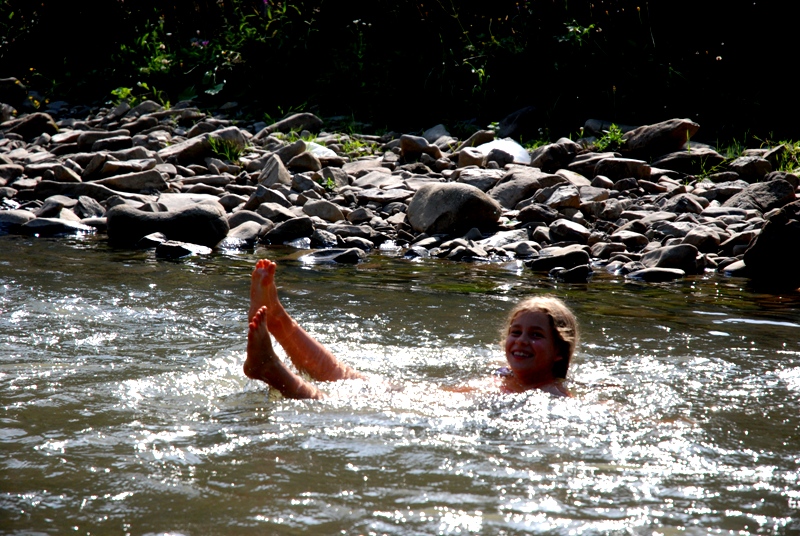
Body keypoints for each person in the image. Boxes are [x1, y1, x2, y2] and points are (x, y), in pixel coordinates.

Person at [244, 259, 579, 399]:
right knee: (341, 374)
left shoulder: (551, 393)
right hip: (422, 396)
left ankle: (270, 370)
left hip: (426, 414)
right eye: (516, 331)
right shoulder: (508, 374)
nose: (520, 341)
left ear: (559, 353)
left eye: (535, 335)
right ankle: (278, 320)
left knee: (329, 401)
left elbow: (590, 409)